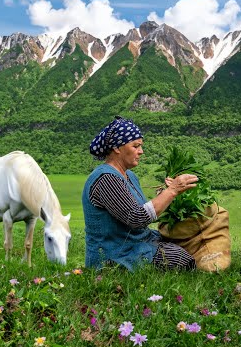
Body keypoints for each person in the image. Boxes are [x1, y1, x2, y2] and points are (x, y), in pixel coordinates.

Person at [82, 115, 198, 271]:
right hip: (115, 253)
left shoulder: (129, 176)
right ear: (117, 148)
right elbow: (137, 218)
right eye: (135, 146)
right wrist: (172, 191)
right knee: (181, 258)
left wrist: (165, 194)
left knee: (187, 244)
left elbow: (139, 208)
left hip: (134, 243)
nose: (141, 151)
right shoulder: (106, 179)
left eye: (141, 146)